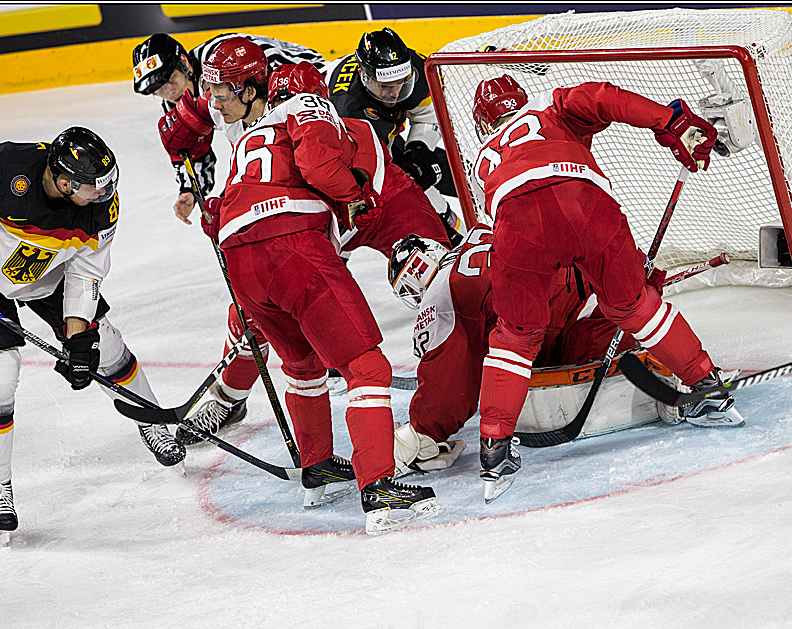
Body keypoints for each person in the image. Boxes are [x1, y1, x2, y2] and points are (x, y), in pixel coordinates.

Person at [0, 127, 185, 542]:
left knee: (104, 345)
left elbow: (86, 271)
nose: (105, 195)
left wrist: (78, 337)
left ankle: (150, 420)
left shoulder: (100, 208)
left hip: (45, 273)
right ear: (64, 183)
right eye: (94, 187)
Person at [157, 37, 451, 448]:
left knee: (441, 280)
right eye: (213, 94)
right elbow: (193, 125)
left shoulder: (311, 107)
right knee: (256, 311)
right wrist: (193, 181)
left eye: (222, 94)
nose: (216, 101)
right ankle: (228, 398)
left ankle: (448, 395)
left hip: (371, 201)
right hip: (316, 220)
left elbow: (332, 164)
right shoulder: (233, 101)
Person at [468, 73, 743, 502]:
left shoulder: (482, 159)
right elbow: (604, 97)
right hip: (586, 197)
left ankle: (494, 450)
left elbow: (511, 226)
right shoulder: (549, 104)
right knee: (635, 307)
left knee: (516, 337)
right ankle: (708, 388)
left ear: (484, 124)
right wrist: (668, 120)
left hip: (517, 218)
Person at [197, 60, 442, 534]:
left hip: (240, 260)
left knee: (303, 365)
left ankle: (318, 470)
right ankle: (380, 488)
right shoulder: (308, 105)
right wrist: (353, 196)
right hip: (291, 243)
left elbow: (219, 211)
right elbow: (316, 162)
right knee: (367, 367)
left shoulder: (250, 136)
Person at [387, 227, 687, 476]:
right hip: (598, 289)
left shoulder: (440, 294)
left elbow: (450, 380)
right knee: (611, 329)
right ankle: (682, 372)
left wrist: (424, 431)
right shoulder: (479, 234)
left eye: (408, 288)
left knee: (555, 382)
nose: (414, 296)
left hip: (563, 320)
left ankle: (665, 390)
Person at [132, 31, 325, 224]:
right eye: (158, 89)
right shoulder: (175, 101)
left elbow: (278, 68)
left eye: (170, 79)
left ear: (185, 63)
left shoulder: (223, 55)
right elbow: (192, 145)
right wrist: (190, 190)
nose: (168, 92)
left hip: (314, 83)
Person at [327, 27, 464, 245]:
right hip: (345, 147)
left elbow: (428, 115)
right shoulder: (349, 110)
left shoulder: (418, 69)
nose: (394, 93)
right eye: (385, 86)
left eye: (401, 82)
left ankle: (453, 234)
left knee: (422, 176)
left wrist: (418, 147)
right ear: (364, 76)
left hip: (380, 135)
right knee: (353, 216)